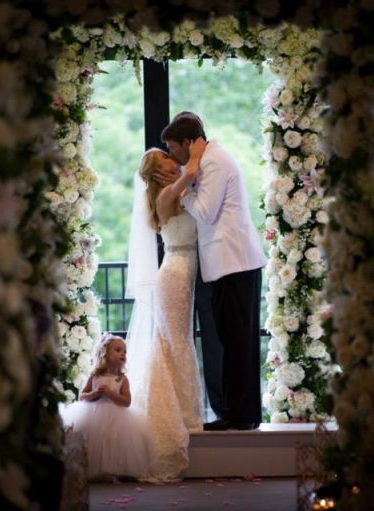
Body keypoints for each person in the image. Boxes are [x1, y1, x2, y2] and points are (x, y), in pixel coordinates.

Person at [157, 112, 266, 431]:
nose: (173, 156)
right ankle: (240, 413)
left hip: (234, 263)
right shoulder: (207, 160)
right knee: (233, 339)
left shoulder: (214, 162)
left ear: (188, 142)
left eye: (173, 148)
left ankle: (238, 414)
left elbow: (205, 213)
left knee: (238, 341)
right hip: (227, 264)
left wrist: (184, 189)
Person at [124, 139, 207, 481]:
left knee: (176, 340)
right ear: (158, 172)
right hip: (174, 273)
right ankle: (184, 415)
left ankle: (185, 410)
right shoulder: (167, 194)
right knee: (176, 343)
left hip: (183, 271)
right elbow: (192, 171)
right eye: (166, 158)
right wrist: (197, 152)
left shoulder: (174, 190)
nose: (174, 159)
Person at [60, 334, 154, 481]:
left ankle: (114, 470)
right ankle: (93, 470)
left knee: (113, 440)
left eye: (125, 351)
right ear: (105, 354)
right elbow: (82, 396)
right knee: (94, 440)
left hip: (116, 416)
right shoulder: (95, 376)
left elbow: (126, 401)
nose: (123, 354)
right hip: (93, 414)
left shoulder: (122, 379)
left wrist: (111, 394)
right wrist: (94, 394)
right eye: (118, 350)